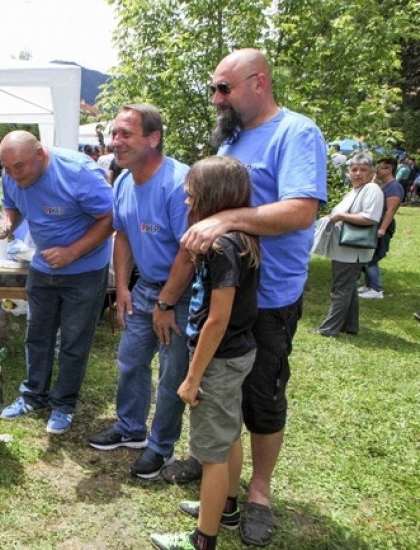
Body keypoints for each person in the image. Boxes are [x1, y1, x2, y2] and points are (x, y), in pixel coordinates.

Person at [178, 48, 327, 547]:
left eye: (225, 88)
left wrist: (226, 219)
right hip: (226, 293)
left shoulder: (296, 132)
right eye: (215, 89)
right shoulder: (233, 136)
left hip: (271, 297)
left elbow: (302, 210)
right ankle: (223, 488)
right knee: (225, 396)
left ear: (258, 83)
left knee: (262, 399)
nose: (217, 98)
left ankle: (258, 494)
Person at [151, 156, 260, 550]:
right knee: (229, 434)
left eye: (190, 196)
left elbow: (217, 319)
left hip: (219, 359)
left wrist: (193, 376)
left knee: (211, 454)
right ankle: (226, 507)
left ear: (210, 198)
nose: (185, 202)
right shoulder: (240, 238)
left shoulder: (220, 247)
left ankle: (203, 538)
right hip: (238, 354)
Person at [88, 104, 194, 481]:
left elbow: (190, 250)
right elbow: (123, 235)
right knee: (130, 361)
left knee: (171, 375)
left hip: (181, 294)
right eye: (115, 133)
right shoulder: (121, 181)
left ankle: (160, 448)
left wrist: (166, 303)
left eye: (126, 134)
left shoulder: (179, 183)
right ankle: (130, 429)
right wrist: (121, 287)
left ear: (154, 137)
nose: (116, 142)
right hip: (144, 287)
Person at [0, 130, 113, 434]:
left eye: (18, 168)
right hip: (42, 268)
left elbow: (110, 218)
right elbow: (12, 205)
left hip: (85, 271)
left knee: (73, 341)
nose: (12, 175)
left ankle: (64, 404)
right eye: (6, 169)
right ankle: (33, 395)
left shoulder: (78, 173)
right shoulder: (12, 173)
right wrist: (7, 224)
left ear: (40, 154)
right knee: (38, 334)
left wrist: (71, 252)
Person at [315, 152, 383, 336]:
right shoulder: (355, 190)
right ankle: (350, 325)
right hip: (345, 248)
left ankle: (329, 329)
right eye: (354, 169)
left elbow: (370, 217)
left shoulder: (371, 189)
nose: (358, 173)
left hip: (352, 250)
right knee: (348, 287)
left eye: (363, 169)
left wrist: (340, 216)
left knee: (340, 288)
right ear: (349, 171)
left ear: (371, 172)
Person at [358, 156, 403, 300]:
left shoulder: (394, 186)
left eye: (380, 167)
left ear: (389, 169)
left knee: (372, 257)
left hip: (383, 226)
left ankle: (376, 289)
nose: (376, 170)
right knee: (367, 254)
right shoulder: (382, 185)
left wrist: (382, 229)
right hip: (375, 225)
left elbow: (391, 210)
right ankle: (369, 286)